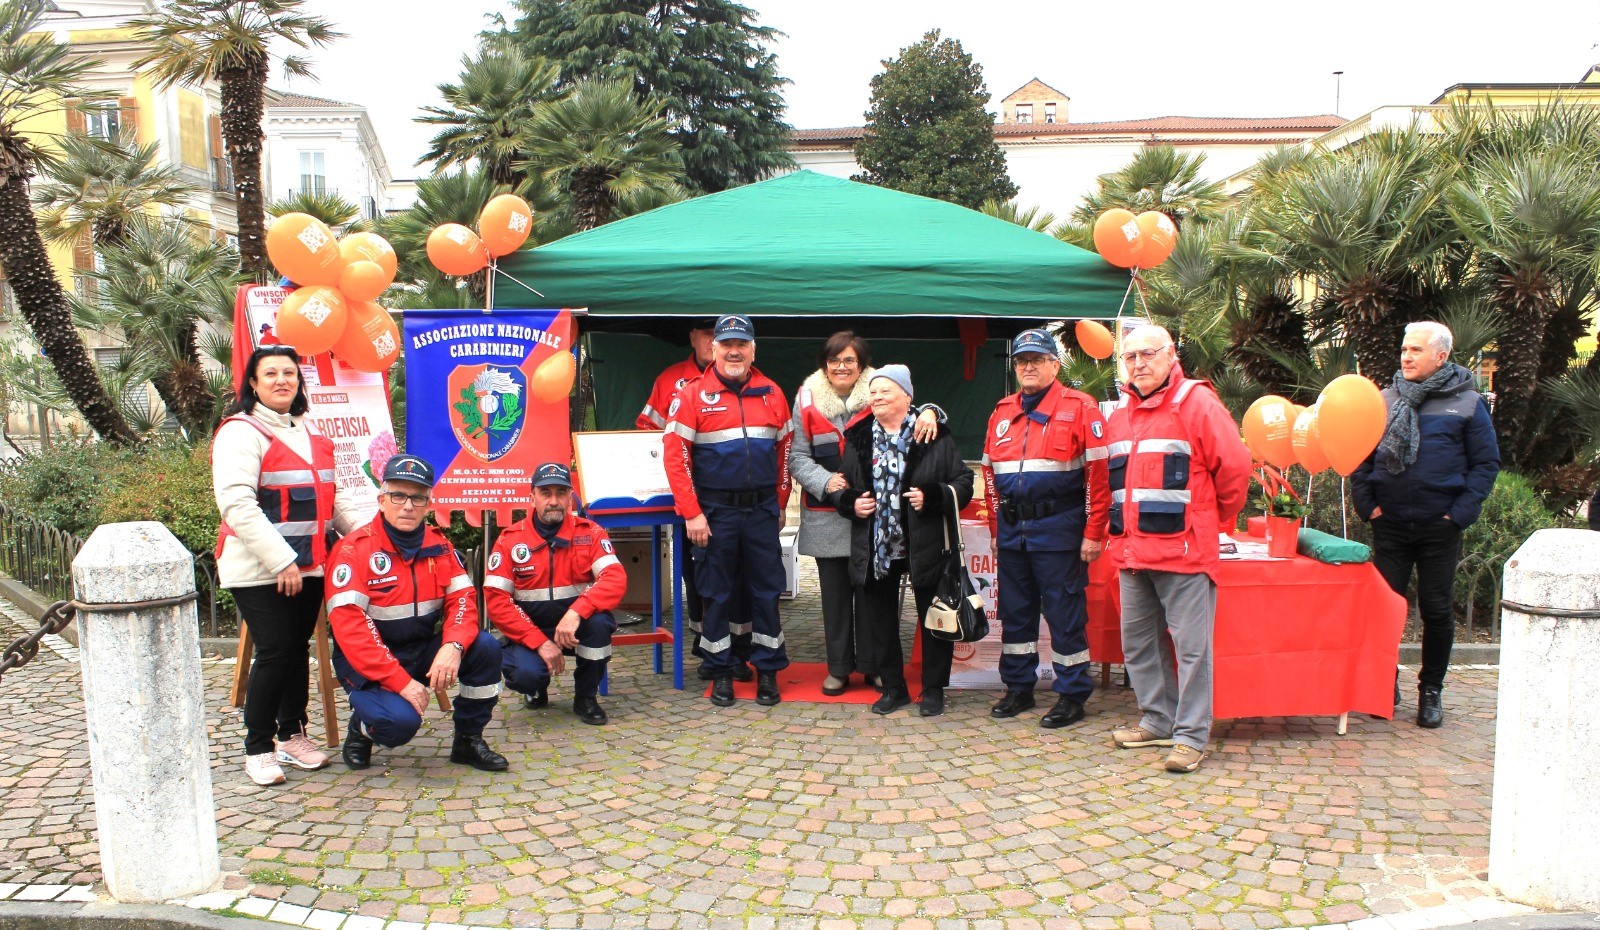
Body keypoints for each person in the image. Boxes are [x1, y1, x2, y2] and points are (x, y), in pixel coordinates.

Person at [213, 345, 374, 787]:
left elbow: (333, 497)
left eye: (289, 373)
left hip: (312, 564)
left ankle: (292, 733)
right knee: (276, 649)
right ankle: (259, 745)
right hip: (259, 566)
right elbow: (237, 504)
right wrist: (281, 559)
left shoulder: (309, 429)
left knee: (296, 648)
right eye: (271, 374)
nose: (282, 380)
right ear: (253, 383)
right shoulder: (240, 432)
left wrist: (370, 537)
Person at [1106, 325, 1251, 774]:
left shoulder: (1197, 402)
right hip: (1132, 553)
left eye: (1147, 354)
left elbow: (1235, 469)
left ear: (1171, 354)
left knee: (1192, 652)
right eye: (1129, 357)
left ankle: (1190, 736)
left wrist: (1211, 522)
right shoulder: (1120, 413)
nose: (1138, 364)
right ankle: (1158, 719)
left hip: (1184, 554)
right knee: (1138, 645)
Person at [1353, 321, 1500, 729]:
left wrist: (1459, 515)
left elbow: (1486, 464)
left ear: (1441, 356)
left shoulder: (1468, 401)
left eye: (1416, 350)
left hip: (1440, 526)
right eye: (1404, 349)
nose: (1406, 356)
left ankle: (1430, 691)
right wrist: (1370, 508)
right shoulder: (1384, 399)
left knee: (1436, 610)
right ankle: (1383, 684)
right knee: (1386, 610)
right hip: (1392, 525)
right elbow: (1361, 459)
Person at [324, 454, 509, 772]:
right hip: (367, 664)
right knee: (399, 726)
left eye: (418, 497)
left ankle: (468, 740)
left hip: (419, 650)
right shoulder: (353, 551)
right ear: (382, 500)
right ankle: (362, 730)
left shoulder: (440, 546)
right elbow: (351, 629)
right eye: (398, 495)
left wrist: (452, 646)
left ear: (428, 504)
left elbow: (463, 601)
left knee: (485, 647)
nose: (408, 505)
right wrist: (400, 681)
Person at [789, 332, 940, 695]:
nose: (841, 366)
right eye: (834, 359)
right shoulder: (805, 398)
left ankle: (874, 666)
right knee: (835, 598)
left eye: (849, 360)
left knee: (873, 596)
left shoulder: (880, 391)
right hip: (827, 514)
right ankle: (838, 668)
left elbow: (916, 412)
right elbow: (796, 457)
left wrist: (935, 410)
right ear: (824, 363)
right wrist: (830, 484)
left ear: (861, 365)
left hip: (874, 518)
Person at [981, 329, 1111, 728]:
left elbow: (1098, 476)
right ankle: (1019, 688)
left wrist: (1094, 532)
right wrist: (995, 527)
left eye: (1037, 359)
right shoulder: (1002, 411)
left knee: (1064, 614)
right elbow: (988, 474)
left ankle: (1072, 695)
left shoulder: (1081, 407)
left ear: (1055, 364)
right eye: (1022, 360)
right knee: (1016, 615)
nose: (1029, 366)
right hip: (1014, 531)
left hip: (1060, 530)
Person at [663, 313, 793, 707]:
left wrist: (781, 501)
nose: (734, 351)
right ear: (712, 349)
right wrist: (692, 513)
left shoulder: (772, 392)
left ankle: (767, 671)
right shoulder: (690, 395)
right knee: (716, 595)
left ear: (753, 349)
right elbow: (676, 459)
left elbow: (785, 452)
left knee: (766, 592)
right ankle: (720, 672)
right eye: (726, 344)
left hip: (761, 512)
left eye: (742, 344)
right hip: (714, 514)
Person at [832, 366, 973, 716]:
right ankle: (894, 688)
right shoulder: (858, 436)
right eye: (873, 391)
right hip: (877, 547)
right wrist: (850, 503)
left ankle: (934, 689)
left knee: (934, 618)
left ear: (907, 396)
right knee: (879, 620)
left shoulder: (932, 432)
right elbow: (842, 484)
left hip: (924, 543)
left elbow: (964, 482)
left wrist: (935, 496)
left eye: (886, 391)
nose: (877, 397)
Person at [638, 318, 754, 683]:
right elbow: (646, 432)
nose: (714, 343)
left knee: (738, 578)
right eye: (707, 334)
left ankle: (737, 647)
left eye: (721, 337)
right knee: (697, 575)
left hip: (732, 503)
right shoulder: (671, 380)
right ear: (695, 338)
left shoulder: (751, 381)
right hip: (689, 503)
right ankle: (706, 642)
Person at [486, 462, 626, 725]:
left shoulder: (591, 533)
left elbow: (614, 578)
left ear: (570, 497)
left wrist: (577, 612)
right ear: (532, 497)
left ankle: (586, 697)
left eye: (561, 493)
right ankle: (536, 686)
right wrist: (539, 642)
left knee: (598, 625)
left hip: (575, 627)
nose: (554, 501)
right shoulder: (509, 540)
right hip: (530, 631)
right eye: (546, 493)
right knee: (525, 675)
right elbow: (496, 600)